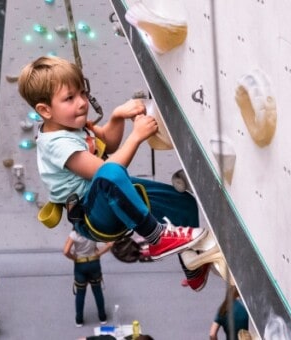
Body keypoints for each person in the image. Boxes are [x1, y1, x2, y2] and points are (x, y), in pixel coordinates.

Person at [17, 56, 206, 260]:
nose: (82, 103)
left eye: (82, 93)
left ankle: (194, 260)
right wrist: (136, 137)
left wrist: (117, 117)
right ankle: (157, 237)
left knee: (183, 203)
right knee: (111, 173)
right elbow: (105, 172)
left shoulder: (70, 124)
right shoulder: (56, 144)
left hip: (108, 197)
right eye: (69, 98)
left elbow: (109, 142)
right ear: (45, 110)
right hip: (92, 216)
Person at [63, 230, 113, 327]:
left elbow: (66, 251)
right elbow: (110, 244)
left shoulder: (74, 234)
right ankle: (102, 318)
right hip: (94, 263)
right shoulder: (93, 231)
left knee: (80, 293)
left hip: (80, 265)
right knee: (97, 291)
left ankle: (79, 320)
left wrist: (74, 258)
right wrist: (98, 253)